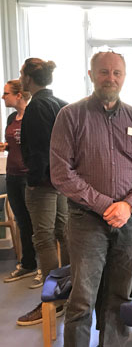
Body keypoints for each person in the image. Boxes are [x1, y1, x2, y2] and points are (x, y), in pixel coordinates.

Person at [50, 51, 132, 346]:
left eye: (117, 73)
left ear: (124, 77)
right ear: (90, 75)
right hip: (86, 220)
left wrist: (127, 205)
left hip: (129, 220)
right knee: (82, 299)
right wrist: (104, 205)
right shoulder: (70, 116)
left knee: (119, 298)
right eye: (103, 72)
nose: (110, 78)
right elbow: (61, 173)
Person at [17, 59, 69, 326]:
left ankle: (53, 300)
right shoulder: (61, 102)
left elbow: (38, 150)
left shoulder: (36, 106)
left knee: (44, 239)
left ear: (28, 78)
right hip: (62, 183)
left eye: (21, 74)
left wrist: (36, 180)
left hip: (44, 185)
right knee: (63, 233)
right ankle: (71, 291)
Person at [1, 80, 41, 288]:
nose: (3, 97)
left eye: (6, 93)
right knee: (22, 222)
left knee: (37, 223)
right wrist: (6, 146)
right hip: (12, 175)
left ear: (18, 95)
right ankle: (28, 263)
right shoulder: (10, 117)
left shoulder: (32, 116)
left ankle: (45, 267)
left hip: (28, 176)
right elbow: (18, 143)